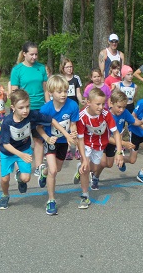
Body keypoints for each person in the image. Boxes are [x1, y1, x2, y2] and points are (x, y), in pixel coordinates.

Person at [0, 89, 72, 210]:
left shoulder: (31, 115)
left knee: (26, 178)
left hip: (24, 149)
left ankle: (20, 179)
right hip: (8, 152)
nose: (25, 110)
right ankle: (5, 195)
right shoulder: (7, 122)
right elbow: (5, 144)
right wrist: (21, 155)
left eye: (27, 106)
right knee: (5, 179)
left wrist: (66, 134)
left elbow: (51, 120)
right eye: (21, 107)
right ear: (13, 107)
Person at [35, 75, 79, 215]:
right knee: (54, 171)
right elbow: (38, 128)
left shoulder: (72, 105)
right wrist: (47, 138)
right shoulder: (45, 109)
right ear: (51, 92)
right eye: (60, 92)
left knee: (56, 169)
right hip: (51, 142)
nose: (63, 94)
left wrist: (73, 133)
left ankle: (44, 172)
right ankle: (51, 200)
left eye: (65, 91)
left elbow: (73, 124)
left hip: (63, 143)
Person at [74, 88, 124, 209]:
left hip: (100, 145)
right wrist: (84, 159)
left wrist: (119, 152)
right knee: (86, 168)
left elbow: (116, 133)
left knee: (94, 168)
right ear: (88, 102)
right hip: (86, 144)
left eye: (103, 104)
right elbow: (80, 139)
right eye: (98, 104)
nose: (101, 107)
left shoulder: (106, 114)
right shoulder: (81, 117)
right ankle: (85, 196)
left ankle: (79, 169)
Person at [10, 41, 49, 178]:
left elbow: (45, 89)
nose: (34, 57)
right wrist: (17, 110)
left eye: (36, 54)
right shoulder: (17, 70)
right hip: (23, 110)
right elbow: (14, 92)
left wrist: (48, 106)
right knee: (20, 140)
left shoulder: (41, 68)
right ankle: (19, 168)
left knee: (39, 139)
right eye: (31, 54)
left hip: (39, 108)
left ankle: (38, 167)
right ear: (24, 54)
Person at [90, 90, 143, 189]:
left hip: (113, 142)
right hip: (102, 141)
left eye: (124, 107)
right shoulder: (106, 115)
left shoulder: (125, 113)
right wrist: (123, 143)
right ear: (111, 103)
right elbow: (107, 137)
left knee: (109, 164)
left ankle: (94, 172)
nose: (121, 110)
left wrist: (142, 122)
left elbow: (134, 121)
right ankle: (95, 177)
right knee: (102, 162)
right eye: (119, 107)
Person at [59, 58, 83, 160]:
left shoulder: (76, 78)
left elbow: (78, 93)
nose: (69, 69)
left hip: (74, 106)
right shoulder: (61, 79)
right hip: (64, 106)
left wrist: (82, 101)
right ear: (63, 68)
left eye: (71, 66)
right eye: (67, 67)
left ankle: (77, 149)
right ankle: (68, 150)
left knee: (75, 127)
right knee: (66, 127)